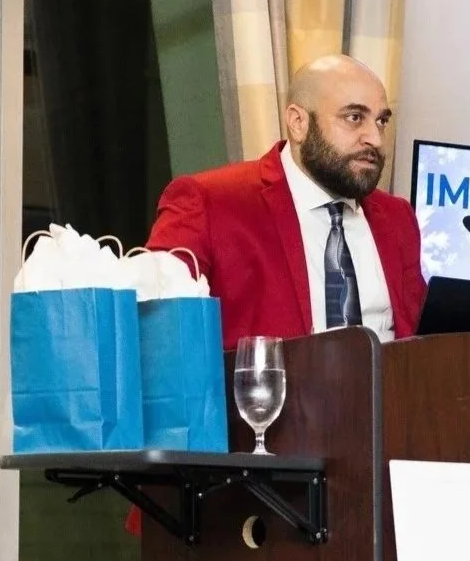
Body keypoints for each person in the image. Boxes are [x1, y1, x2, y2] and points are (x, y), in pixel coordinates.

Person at [145, 54, 427, 347]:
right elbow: (157, 336)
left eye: (381, 121)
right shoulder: (209, 202)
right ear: (298, 123)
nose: (375, 139)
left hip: (388, 390)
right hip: (268, 392)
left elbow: (419, 342)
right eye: (354, 118)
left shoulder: (397, 217)